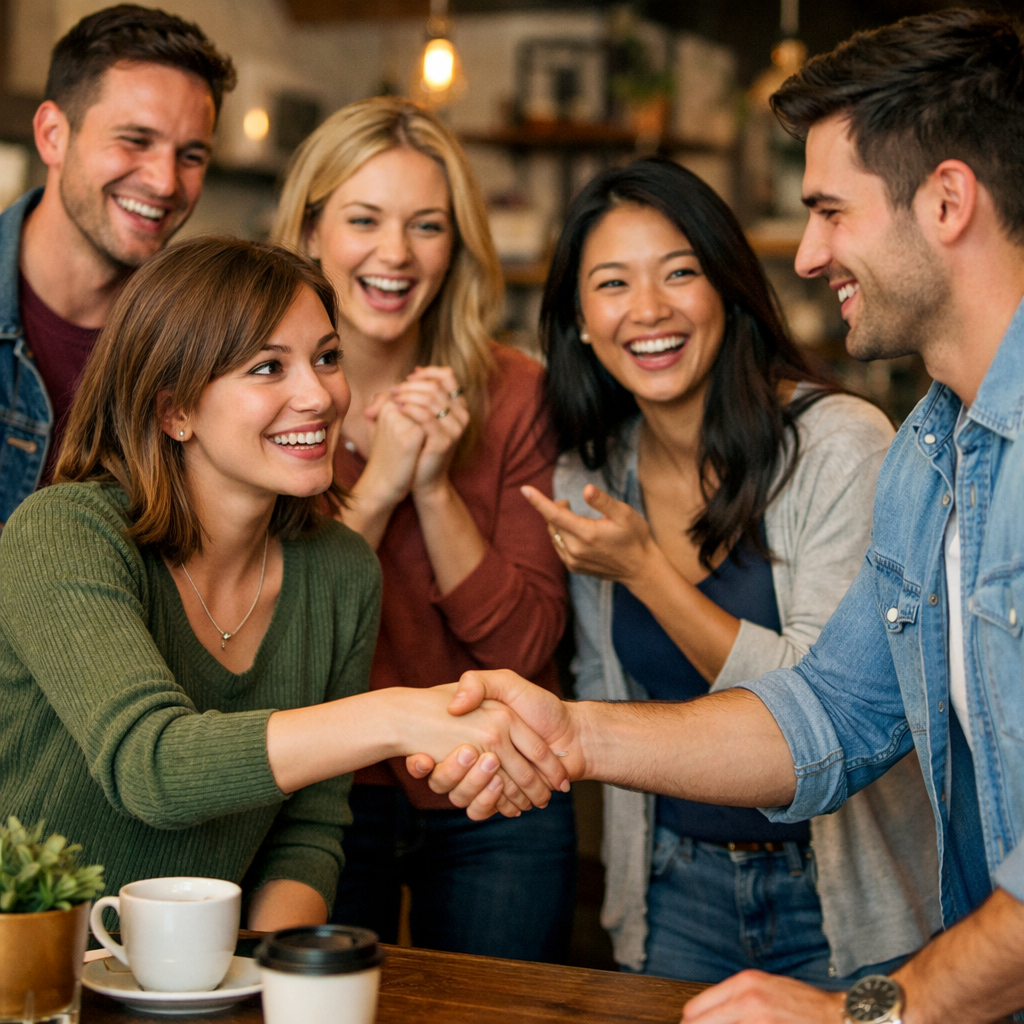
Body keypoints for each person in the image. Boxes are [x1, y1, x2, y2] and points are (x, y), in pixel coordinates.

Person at [416, 9, 1024, 1023]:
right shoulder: (928, 459)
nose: (806, 252)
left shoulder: (858, 443)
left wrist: (853, 1012)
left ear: (947, 201)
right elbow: (826, 716)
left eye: (831, 211)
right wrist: (569, 732)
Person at [0, 236, 567, 933]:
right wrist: (398, 717)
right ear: (174, 410)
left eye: (327, 358)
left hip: (203, 985)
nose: (320, 395)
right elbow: (153, 767)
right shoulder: (64, 533)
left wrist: (269, 982)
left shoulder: (339, 569)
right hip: (34, 973)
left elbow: (307, 834)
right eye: (268, 367)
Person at [523, 156, 938, 987]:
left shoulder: (838, 447)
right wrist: (626, 905)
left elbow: (828, 714)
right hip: (675, 891)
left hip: (838, 898)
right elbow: (610, 697)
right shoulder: (588, 476)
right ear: (577, 320)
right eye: (612, 284)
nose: (649, 310)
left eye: (680, 272)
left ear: (728, 287)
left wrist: (648, 572)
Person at [271, 96, 574, 960]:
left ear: (460, 244)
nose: (395, 254)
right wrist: (380, 488)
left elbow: (526, 640)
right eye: (364, 219)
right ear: (310, 231)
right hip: (321, 789)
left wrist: (433, 487)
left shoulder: (516, 392)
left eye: (427, 225)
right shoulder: (257, 395)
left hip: (499, 782)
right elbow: (274, 628)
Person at [0, 4, 234, 527]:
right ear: (53, 135)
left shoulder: (198, 343)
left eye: (191, 156)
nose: (165, 182)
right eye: (135, 140)